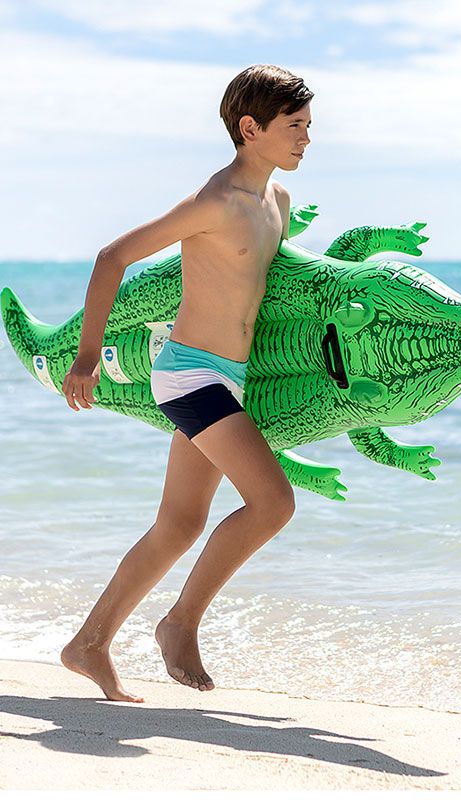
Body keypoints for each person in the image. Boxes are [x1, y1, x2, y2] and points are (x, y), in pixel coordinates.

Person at [58, 64, 313, 702]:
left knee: (178, 523)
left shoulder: (276, 202)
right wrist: (88, 357)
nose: (306, 138)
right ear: (250, 128)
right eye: (294, 126)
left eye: (309, 126)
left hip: (232, 378)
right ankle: (180, 622)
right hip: (192, 374)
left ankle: (88, 643)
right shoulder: (217, 203)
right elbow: (113, 256)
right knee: (273, 503)